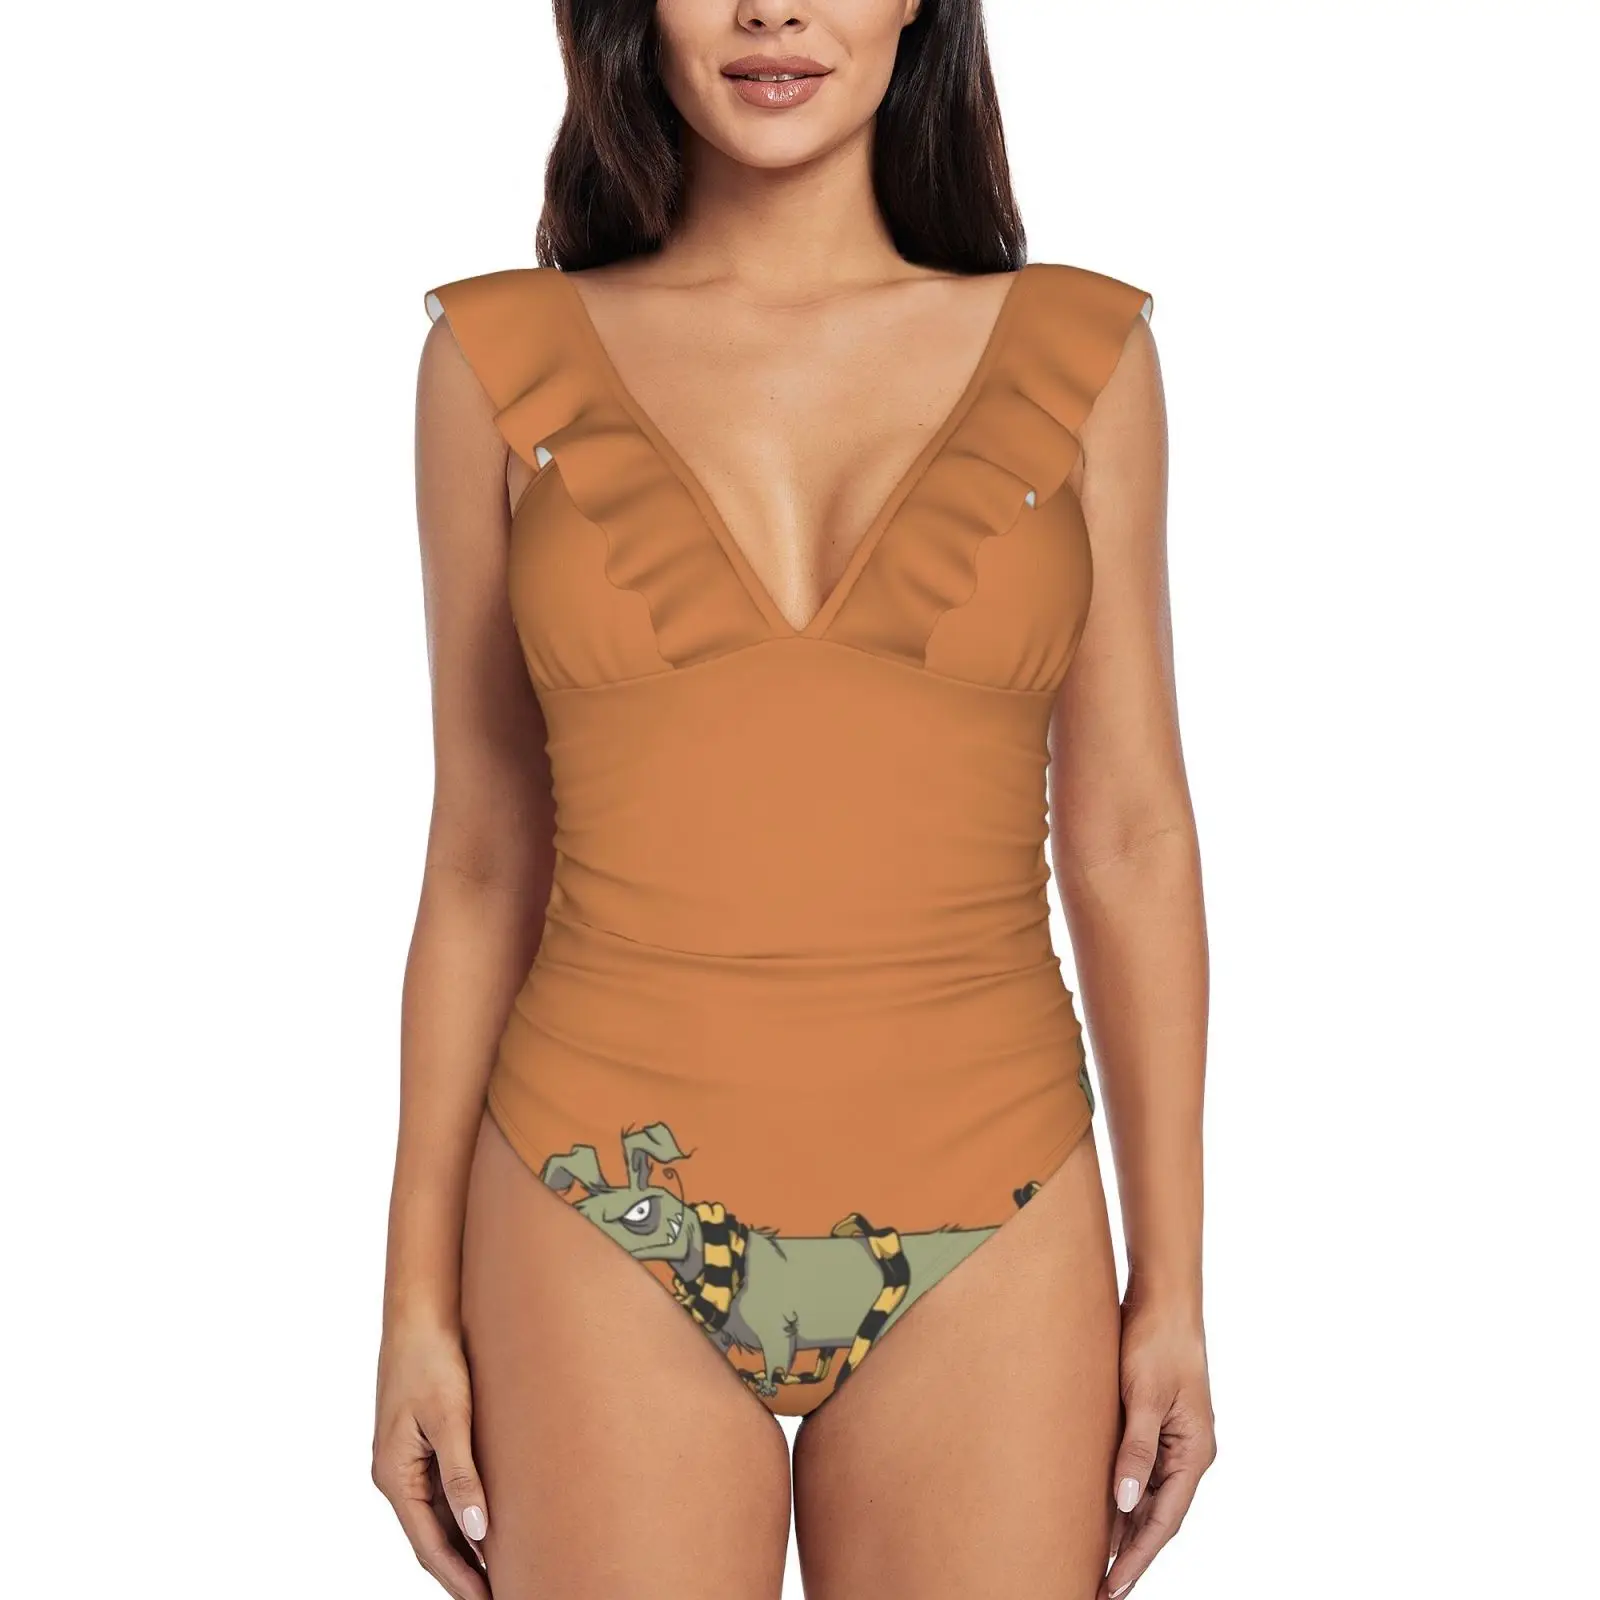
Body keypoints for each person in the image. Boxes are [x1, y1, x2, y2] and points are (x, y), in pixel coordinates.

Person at [372, 3, 1215, 1596]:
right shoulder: (491, 361)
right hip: (595, 1200)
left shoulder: (1084, 353)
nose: (772, 10)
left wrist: (1171, 1285)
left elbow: (1129, 839)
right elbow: (483, 856)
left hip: (994, 1199)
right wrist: (412, 1301)